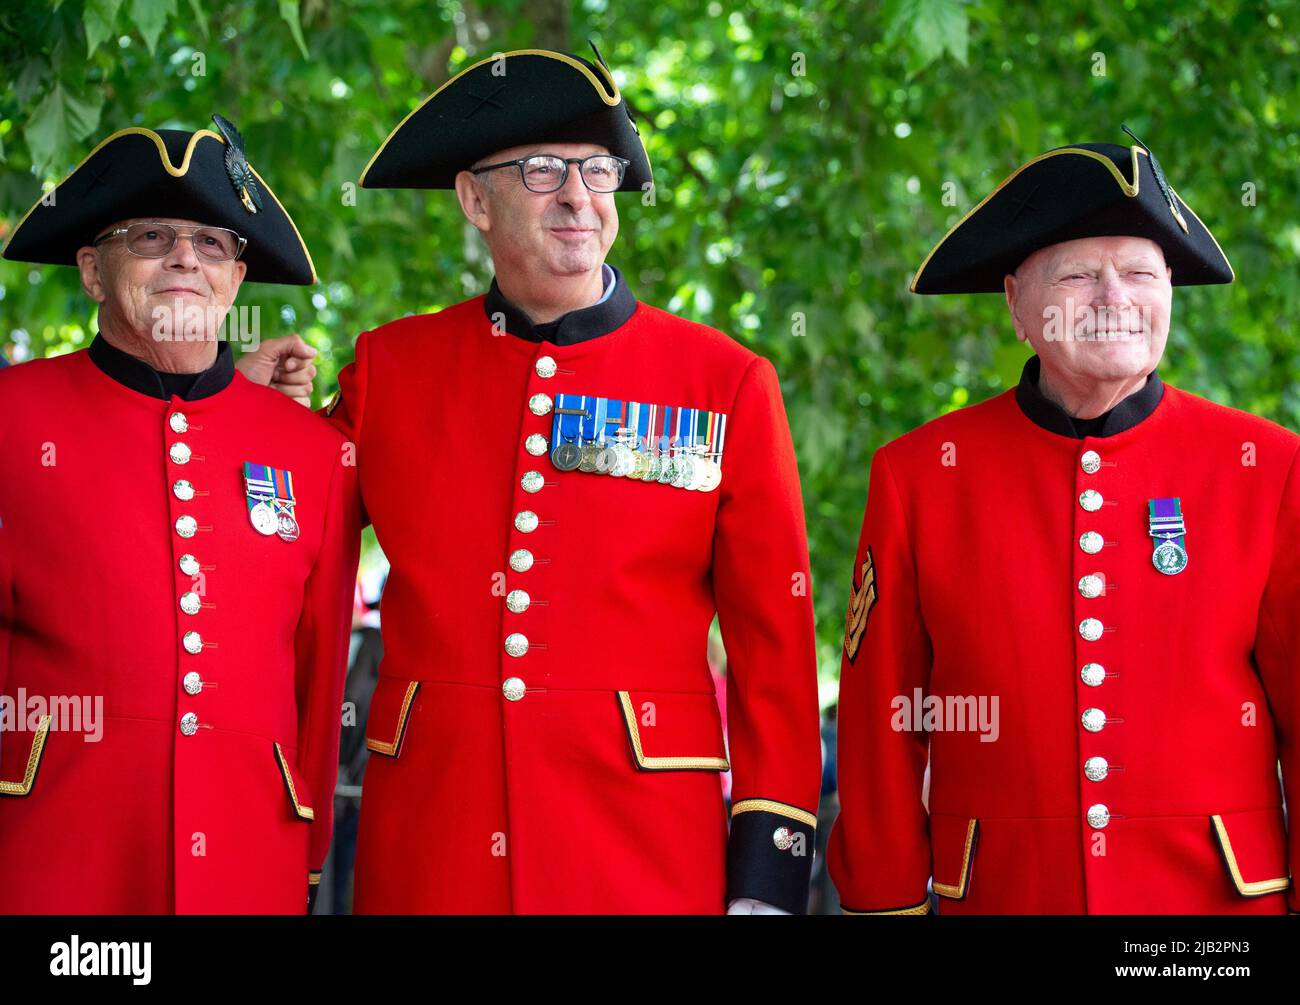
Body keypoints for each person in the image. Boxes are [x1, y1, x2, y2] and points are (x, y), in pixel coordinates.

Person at [240, 48, 822, 914]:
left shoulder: (723, 381)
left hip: (642, 854)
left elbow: (775, 649)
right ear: (475, 198)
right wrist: (246, 422)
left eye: (599, 171)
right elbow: (282, 547)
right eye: (545, 171)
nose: (579, 197)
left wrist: (765, 883)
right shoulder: (392, 368)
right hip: (433, 849)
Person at [829, 130, 1298, 915]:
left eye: (1142, 273)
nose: (1115, 300)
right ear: (1016, 303)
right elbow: (884, 721)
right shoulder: (919, 474)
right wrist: (885, 902)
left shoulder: (1268, 466)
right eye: (1079, 275)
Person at [0, 116, 360, 913]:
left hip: (247, 858)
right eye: (152, 234)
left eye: (212, 241)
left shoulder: (313, 453)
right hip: (55, 856)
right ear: (93, 272)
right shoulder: (11, 418)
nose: (184, 257)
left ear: (236, 280)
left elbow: (319, 663)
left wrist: (305, 849)